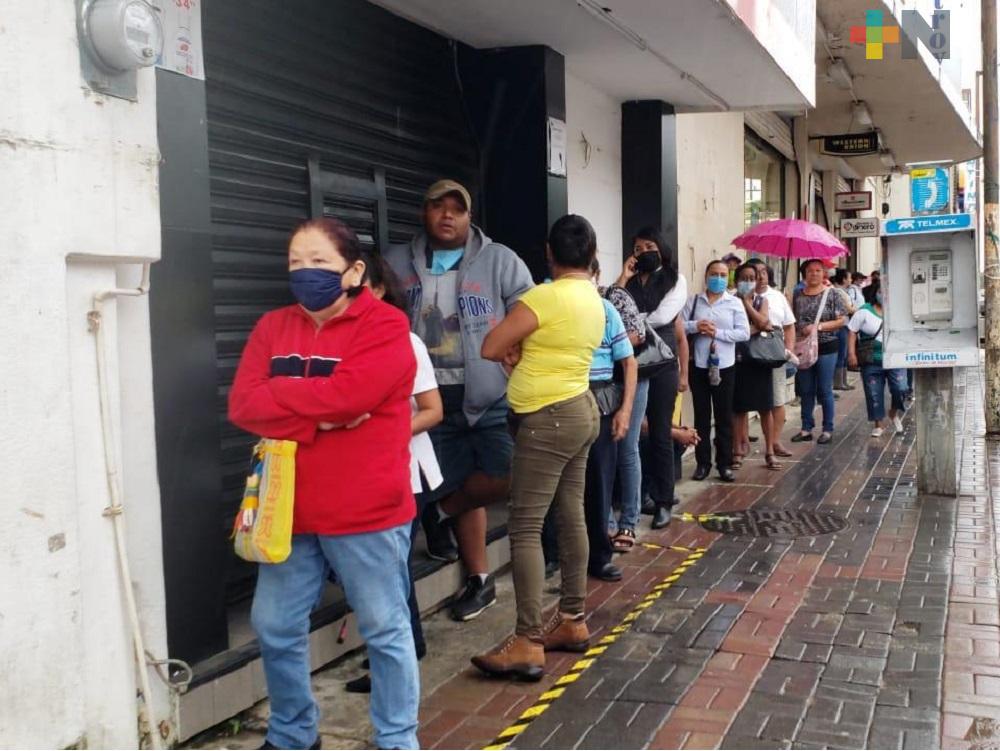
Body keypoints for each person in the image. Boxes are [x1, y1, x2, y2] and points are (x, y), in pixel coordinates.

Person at [229, 218, 419, 750]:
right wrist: (321, 419)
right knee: (273, 626)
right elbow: (244, 404)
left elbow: (351, 398)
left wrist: (288, 400)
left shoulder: (383, 327)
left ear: (354, 271)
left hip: (367, 512)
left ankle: (397, 740)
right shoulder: (273, 327)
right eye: (295, 262)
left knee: (384, 630)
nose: (304, 272)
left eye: (319, 262)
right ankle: (293, 734)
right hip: (287, 510)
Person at [384, 179, 534, 622]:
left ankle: (443, 511)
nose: (447, 216)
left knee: (514, 477)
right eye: (438, 207)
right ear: (423, 212)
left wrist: (514, 361)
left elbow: (529, 318)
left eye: (457, 209)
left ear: (470, 217)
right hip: (422, 402)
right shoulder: (396, 262)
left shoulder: (499, 260)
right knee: (411, 495)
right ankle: (478, 580)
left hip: (488, 397)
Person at [472, 215, 604, 680]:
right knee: (571, 515)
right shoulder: (593, 297)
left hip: (547, 418)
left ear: (549, 252)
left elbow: (490, 346)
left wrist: (514, 348)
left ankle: (527, 641)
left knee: (525, 526)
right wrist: (521, 350)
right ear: (591, 255)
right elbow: (538, 346)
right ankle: (572, 619)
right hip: (580, 408)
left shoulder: (544, 296)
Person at [345, 256, 443, 695]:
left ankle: (399, 657)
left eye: (357, 286)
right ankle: (404, 646)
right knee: (380, 568)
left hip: (405, 474)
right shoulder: (344, 344)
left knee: (389, 569)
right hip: (361, 474)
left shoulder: (406, 342)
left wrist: (382, 434)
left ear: (381, 290)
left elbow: (432, 411)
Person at [616, 227, 689, 530]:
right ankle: (639, 494)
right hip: (631, 364)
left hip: (662, 364)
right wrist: (623, 276)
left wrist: (630, 320)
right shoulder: (629, 282)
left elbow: (663, 316)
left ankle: (663, 500)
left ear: (661, 249)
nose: (643, 251)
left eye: (649, 246)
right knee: (632, 434)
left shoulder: (675, 279)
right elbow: (609, 305)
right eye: (637, 247)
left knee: (660, 431)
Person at [583, 258, 637, 581]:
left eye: (588, 272)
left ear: (596, 276)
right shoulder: (543, 300)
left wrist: (625, 410)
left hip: (601, 399)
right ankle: (554, 553)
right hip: (559, 398)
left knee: (599, 482)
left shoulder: (606, 310)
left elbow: (629, 363)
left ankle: (599, 555)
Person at [682, 260, 750, 482]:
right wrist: (695, 326)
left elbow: (743, 333)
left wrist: (717, 333)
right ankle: (703, 463)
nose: (718, 279)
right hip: (698, 364)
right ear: (706, 276)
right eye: (714, 274)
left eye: (723, 275)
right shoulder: (693, 301)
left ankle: (724, 463)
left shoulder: (734, 303)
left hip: (724, 366)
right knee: (701, 416)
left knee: (724, 417)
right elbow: (679, 326)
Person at [791, 258, 851, 445]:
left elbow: (842, 320)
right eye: (810, 271)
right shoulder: (798, 295)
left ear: (824, 273)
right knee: (806, 390)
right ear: (804, 274)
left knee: (824, 389)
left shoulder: (832, 294)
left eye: (818, 270)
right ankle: (806, 427)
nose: (814, 274)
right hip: (803, 348)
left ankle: (827, 428)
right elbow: (793, 320)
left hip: (827, 347)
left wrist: (819, 327)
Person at [731, 263, 780, 470]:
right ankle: (738, 450)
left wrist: (747, 304)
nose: (749, 281)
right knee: (739, 408)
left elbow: (765, 323)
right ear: (736, 280)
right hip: (737, 359)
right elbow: (731, 329)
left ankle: (769, 451)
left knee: (765, 407)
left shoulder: (763, 300)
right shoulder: (729, 301)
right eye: (744, 278)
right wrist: (752, 327)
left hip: (761, 359)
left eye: (752, 278)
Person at [848, 279, 907, 437]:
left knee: (901, 388)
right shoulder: (864, 311)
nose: (884, 295)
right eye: (881, 292)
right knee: (873, 392)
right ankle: (878, 424)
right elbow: (852, 331)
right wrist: (851, 354)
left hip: (896, 358)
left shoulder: (900, 311)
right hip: (870, 360)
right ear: (876, 294)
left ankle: (893, 412)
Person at [751, 260, 796, 459]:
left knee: (777, 399)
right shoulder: (740, 296)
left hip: (773, 349)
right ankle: (742, 442)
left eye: (763, 272)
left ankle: (775, 441)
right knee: (748, 398)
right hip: (748, 349)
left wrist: (788, 350)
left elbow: (789, 325)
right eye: (755, 273)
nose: (760, 276)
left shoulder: (777, 296)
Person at [831, 269, 857, 392]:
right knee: (841, 353)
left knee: (844, 354)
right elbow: (849, 309)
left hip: (846, 324)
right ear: (843, 279)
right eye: (849, 278)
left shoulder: (843, 291)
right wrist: (855, 308)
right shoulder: (838, 291)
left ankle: (843, 381)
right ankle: (838, 382)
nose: (850, 280)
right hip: (841, 325)